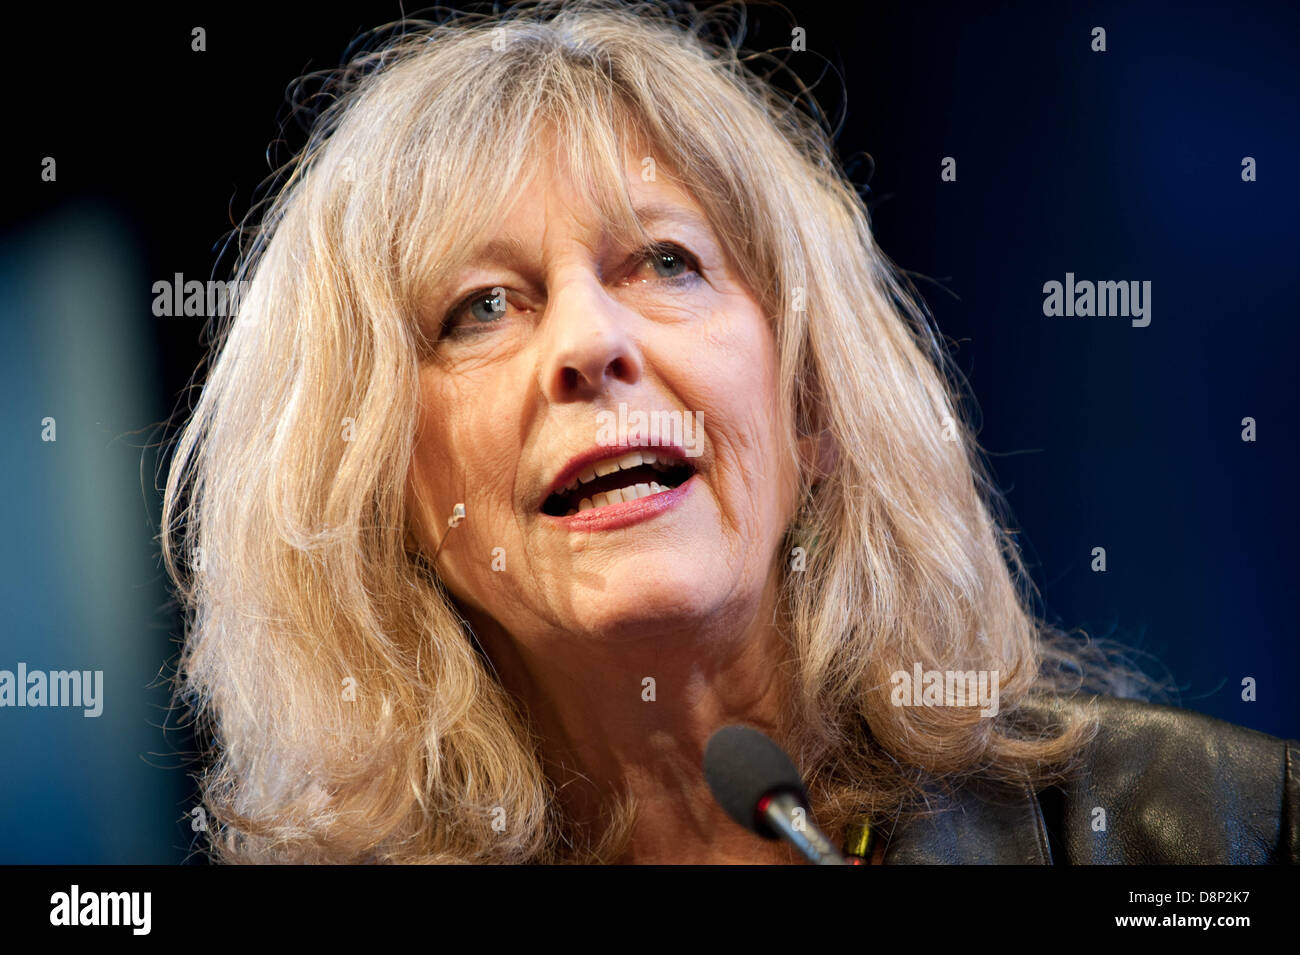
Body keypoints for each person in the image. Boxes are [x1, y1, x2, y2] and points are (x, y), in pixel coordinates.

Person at [160, 0, 1297, 864]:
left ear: (810, 407)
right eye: (481, 307)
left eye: (665, 262)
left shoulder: (1212, 827)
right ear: (380, 489)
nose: (587, 343)